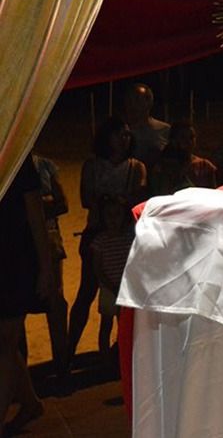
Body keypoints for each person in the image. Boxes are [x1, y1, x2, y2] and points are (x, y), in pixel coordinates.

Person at [68, 117, 146, 365]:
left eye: (126, 135)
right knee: (87, 290)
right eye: (118, 134)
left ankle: (118, 353)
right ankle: (68, 351)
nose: (124, 139)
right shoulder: (93, 166)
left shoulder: (136, 167)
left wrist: (109, 201)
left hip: (125, 236)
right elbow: (85, 198)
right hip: (98, 233)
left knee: (124, 295)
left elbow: (137, 197)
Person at [0, 159, 54, 435]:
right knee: (5, 341)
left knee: (7, 340)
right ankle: (31, 403)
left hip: (14, 258)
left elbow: (36, 213)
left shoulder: (16, 156)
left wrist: (45, 267)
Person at [30, 153, 70, 379]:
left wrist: (32, 207)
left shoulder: (45, 165)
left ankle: (61, 364)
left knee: (55, 299)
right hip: (24, 238)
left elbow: (62, 203)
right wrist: (44, 203)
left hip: (49, 236)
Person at [90, 195, 136, 368]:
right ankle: (105, 360)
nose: (113, 220)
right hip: (109, 289)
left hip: (124, 289)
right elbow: (97, 269)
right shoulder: (100, 241)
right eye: (109, 215)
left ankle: (121, 359)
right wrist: (110, 285)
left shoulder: (128, 239)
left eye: (117, 215)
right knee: (106, 325)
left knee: (123, 325)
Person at [149, 121, 217, 196]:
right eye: (183, 137)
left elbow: (213, 194)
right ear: (173, 140)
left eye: (191, 137)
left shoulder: (205, 166)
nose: (189, 142)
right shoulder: (162, 168)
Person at [122, 83, 170, 169]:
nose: (132, 104)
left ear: (149, 103)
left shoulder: (165, 130)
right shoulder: (120, 132)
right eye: (129, 100)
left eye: (137, 100)